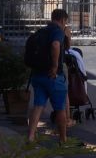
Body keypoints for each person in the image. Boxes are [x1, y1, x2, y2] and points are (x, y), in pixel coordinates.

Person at [26, 9, 69, 145]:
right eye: (65, 22)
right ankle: (63, 139)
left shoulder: (41, 32)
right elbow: (56, 45)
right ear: (62, 20)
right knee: (60, 108)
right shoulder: (57, 31)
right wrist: (55, 67)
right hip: (53, 76)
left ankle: (31, 136)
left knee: (38, 106)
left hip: (37, 74)